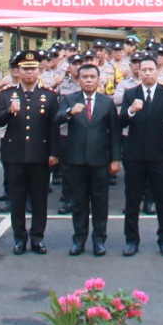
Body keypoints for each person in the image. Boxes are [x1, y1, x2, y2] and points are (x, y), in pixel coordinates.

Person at [0, 49, 61, 255]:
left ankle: (37, 238)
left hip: (40, 155)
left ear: (39, 70)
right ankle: (19, 238)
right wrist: (9, 112)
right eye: (25, 69)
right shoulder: (6, 95)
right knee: (17, 200)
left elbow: (54, 128)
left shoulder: (49, 96)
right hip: (15, 155)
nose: (29, 72)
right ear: (18, 71)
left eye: (33, 68)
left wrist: (54, 153)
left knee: (39, 200)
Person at [118, 54, 163, 257]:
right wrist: (131, 111)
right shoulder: (131, 93)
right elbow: (121, 122)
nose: (147, 73)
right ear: (139, 72)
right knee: (132, 201)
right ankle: (131, 240)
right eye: (143, 70)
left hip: (159, 155)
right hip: (135, 155)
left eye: (150, 70)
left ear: (157, 71)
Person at [56, 61, 117, 257]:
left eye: (92, 77)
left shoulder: (107, 102)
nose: (88, 81)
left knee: (100, 203)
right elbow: (56, 118)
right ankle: (79, 240)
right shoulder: (70, 99)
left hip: (100, 161)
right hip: (76, 160)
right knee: (79, 202)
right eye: (85, 77)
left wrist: (115, 159)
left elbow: (114, 133)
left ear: (98, 80)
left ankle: (99, 240)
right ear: (79, 79)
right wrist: (69, 112)